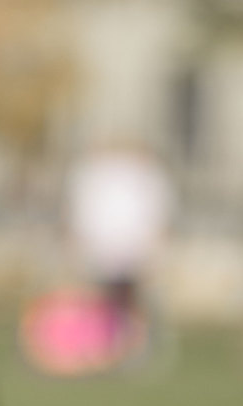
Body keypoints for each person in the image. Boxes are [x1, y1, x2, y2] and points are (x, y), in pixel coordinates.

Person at [65, 141, 174, 363]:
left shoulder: (145, 176)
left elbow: (157, 209)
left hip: (132, 244)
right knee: (103, 299)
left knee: (134, 299)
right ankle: (104, 346)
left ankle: (137, 347)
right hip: (105, 244)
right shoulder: (93, 175)